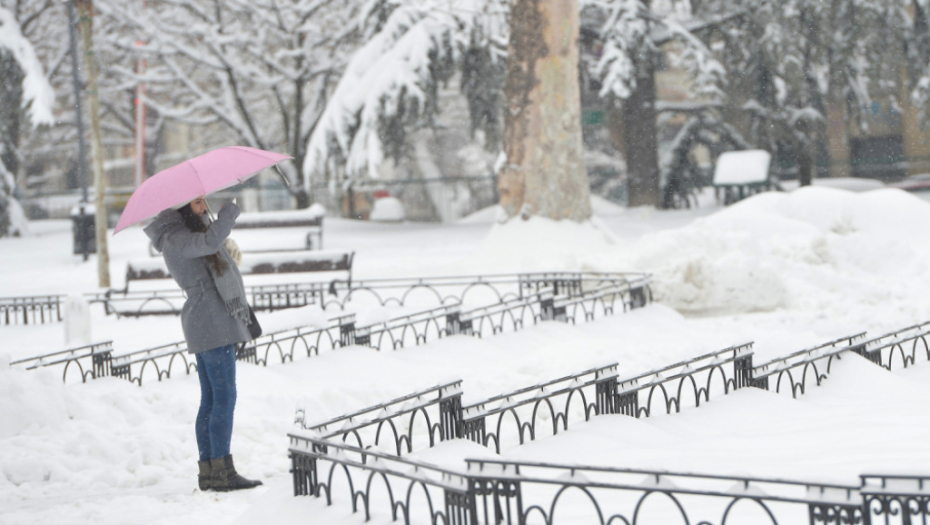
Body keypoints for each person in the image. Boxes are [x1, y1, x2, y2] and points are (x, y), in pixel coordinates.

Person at [144, 196, 261, 492]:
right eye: (196, 202)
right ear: (182, 206)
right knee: (223, 398)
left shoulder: (186, 233)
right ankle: (221, 471)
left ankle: (211, 471)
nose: (203, 206)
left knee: (212, 399)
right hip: (210, 321)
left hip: (211, 320)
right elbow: (209, 243)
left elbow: (211, 245)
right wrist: (229, 212)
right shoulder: (176, 237)